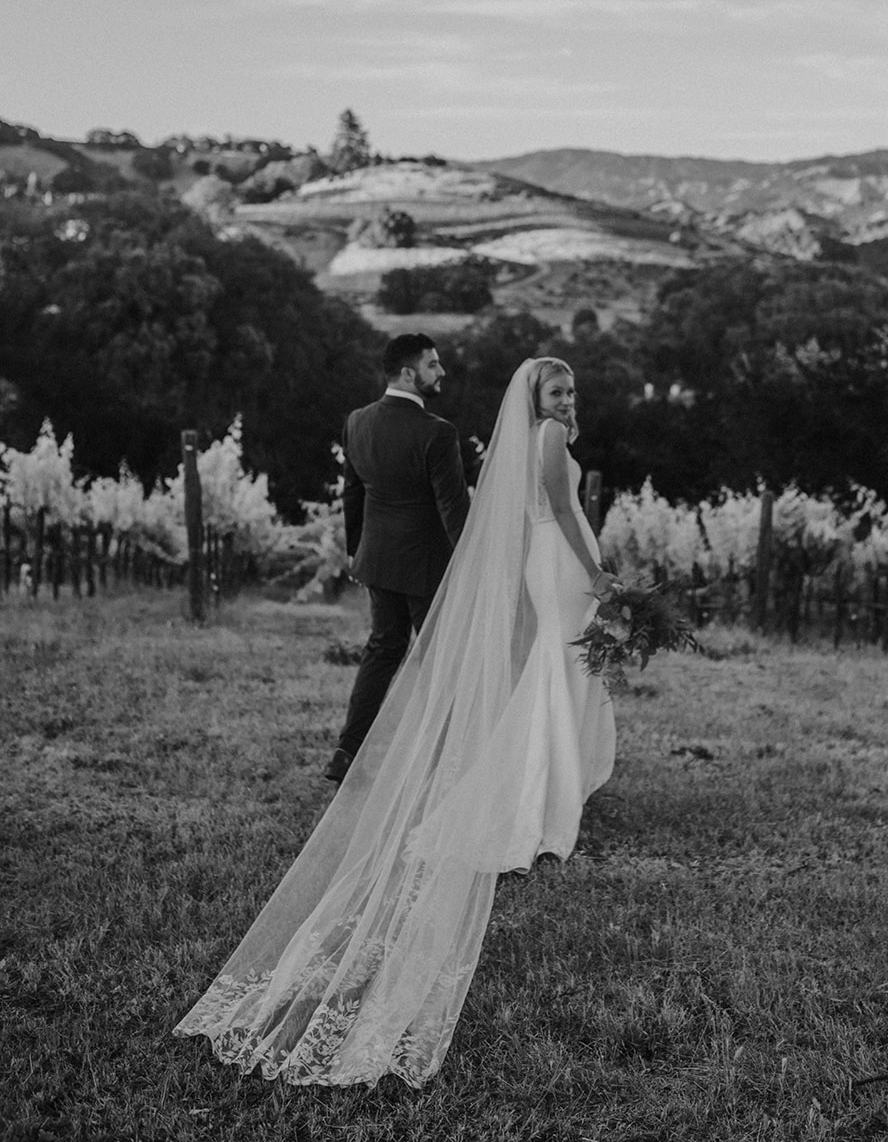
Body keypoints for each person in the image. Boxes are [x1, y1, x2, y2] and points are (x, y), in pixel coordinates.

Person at [174, 357, 619, 1089]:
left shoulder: (532, 434)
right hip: (558, 562)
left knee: (535, 667)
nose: (567, 398)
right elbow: (559, 512)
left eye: (572, 389)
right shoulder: (541, 436)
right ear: (535, 398)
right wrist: (592, 571)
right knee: (550, 670)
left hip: (503, 560)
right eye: (556, 390)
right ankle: (542, 795)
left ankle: (545, 787)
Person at [324, 333, 471, 785]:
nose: (441, 371)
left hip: (379, 561)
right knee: (441, 659)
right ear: (408, 373)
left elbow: (352, 494)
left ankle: (346, 752)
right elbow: (453, 509)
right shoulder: (437, 432)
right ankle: (440, 761)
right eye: (432, 364)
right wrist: (473, 561)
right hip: (427, 567)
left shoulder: (357, 421)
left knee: (383, 650)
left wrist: (357, 552)